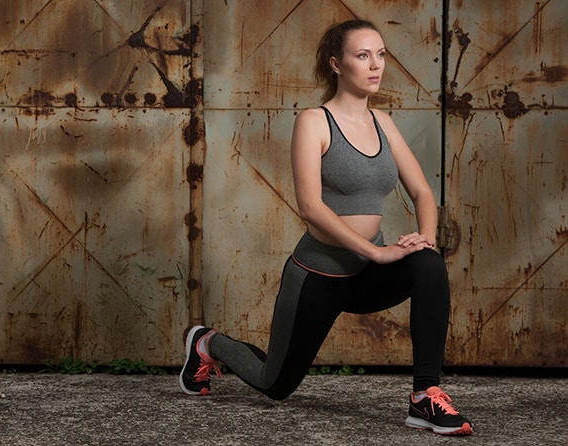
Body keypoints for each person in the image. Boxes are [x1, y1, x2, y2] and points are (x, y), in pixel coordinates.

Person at [179, 19, 473, 436]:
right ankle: (207, 343)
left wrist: (423, 237)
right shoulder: (314, 122)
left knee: (428, 263)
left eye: (381, 54)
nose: (376, 65)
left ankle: (424, 397)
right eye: (362, 55)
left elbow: (424, 193)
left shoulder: (384, 124)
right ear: (336, 64)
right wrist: (376, 251)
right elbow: (312, 208)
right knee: (274, 384)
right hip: (318, 278)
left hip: (368, 276)